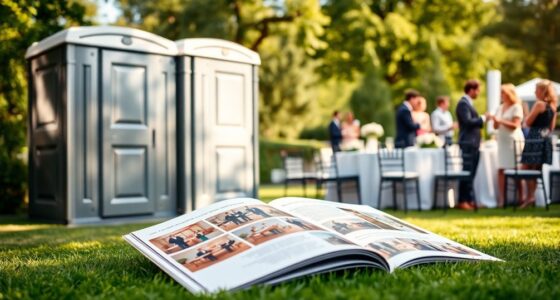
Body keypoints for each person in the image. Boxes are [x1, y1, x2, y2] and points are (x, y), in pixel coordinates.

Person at [455, 79, 493, 210]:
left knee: (471, 172)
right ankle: (462, 201)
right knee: (467, 171)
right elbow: (468, 122)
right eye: (477, 90)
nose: (478, 93)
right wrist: (483, 118)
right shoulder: (463, 104)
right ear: (471, 90)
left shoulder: (467, 103)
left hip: (473, 143)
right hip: (468, 142)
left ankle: (469, 200)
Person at [520, 79, 558, 208]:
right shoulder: (553, 107)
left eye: (536, 89)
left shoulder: (539, 105)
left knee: (525, 168)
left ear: (542, 91)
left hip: (534, 138)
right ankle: (531, 197)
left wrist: (525, 118)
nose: (534, 92)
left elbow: (528, 123)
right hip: (545, 139)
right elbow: (552, 128)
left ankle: (530, 197)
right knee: (535, 170)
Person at [493, 84, 525, 208]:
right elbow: (496, 127)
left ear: (510, 94)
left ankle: (521, 198)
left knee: (516, 169)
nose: (501, 95)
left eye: (503, 93)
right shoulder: (500, 107)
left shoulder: (517, 107)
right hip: (502, 142)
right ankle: (502, 199)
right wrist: (495, 121)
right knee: (501, 169)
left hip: (513, 141)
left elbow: (515, 125)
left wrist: (500, 121)